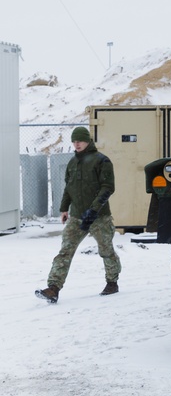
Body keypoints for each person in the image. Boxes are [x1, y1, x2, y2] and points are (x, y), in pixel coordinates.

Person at [35, 126, 121, 303]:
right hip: (76, 216)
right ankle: (53, 288)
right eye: (74, 141)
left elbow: (108, 187)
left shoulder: (102, 161)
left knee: (106, 250)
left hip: (99, 217)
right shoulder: (72, 163)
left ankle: (112, 282)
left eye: (80, 140)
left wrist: (94, 209)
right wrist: (64, 208)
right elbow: (69, 188)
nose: (77, 144)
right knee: (65, 251)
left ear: (88, 141)